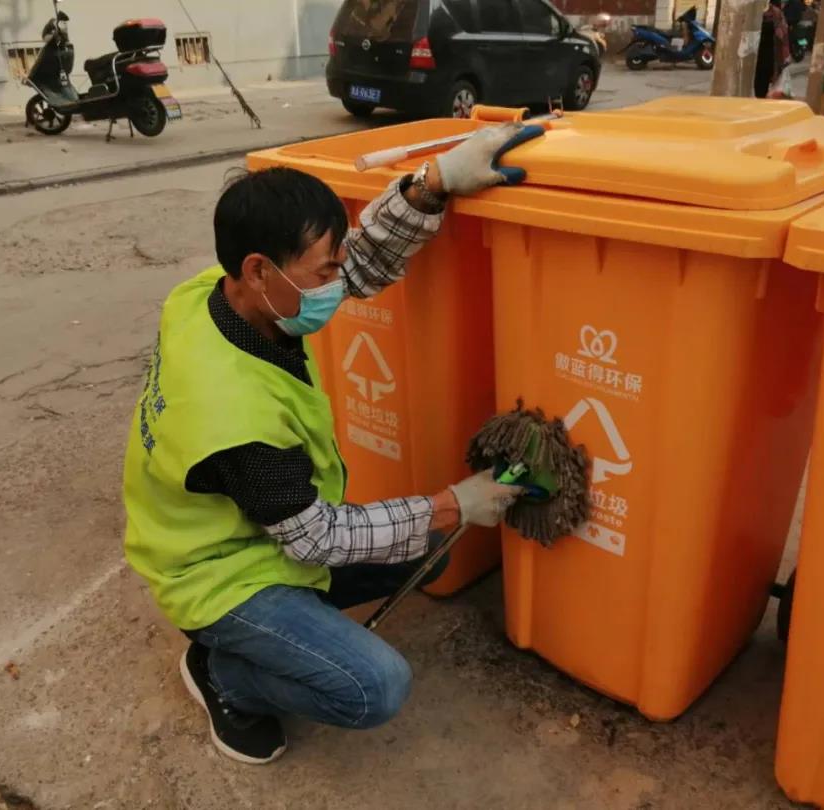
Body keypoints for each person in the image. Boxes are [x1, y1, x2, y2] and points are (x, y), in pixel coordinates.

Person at [122, 126, 527, 765]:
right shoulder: (233, 418)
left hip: (262, 534)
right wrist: (455, 504)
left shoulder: (218, 293)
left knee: (428, 553)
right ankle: (223, 673)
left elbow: (356, 266)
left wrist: (433, 183)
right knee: (375, 687)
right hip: (216, 573)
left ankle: (279, 631)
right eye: (324, 270)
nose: (338, 282)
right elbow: (316, 538)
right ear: (259, 270)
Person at [755, 0, 792, 99]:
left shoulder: (776, 13)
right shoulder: (752, 12)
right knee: (756, 85)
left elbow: (784, 35)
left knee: (763, 87)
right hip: (753, 56)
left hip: (770, 56)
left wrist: (785, 57)